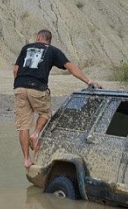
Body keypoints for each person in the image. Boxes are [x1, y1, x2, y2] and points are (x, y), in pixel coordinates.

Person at [13, 29, 101, 168]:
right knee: (45, 113)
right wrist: (88, 82)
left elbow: (15, 70)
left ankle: (26, 160)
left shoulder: (26, 48)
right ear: (49, 40)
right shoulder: (53, 50)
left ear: (38, 37)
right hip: (38, 87)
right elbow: (71, 68)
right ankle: (36, 134)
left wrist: (19, 85)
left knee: (23, 126)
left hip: (19, 87)